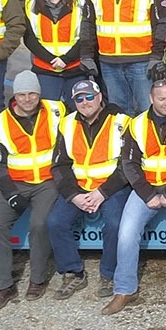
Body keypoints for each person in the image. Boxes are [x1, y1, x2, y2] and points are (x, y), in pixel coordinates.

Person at [109, 77, 166, 315]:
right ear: (151, 99)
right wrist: (148, 194)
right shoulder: (136, 124)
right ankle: (124, 289)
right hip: (146, 188)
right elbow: (129, 164)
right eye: (161, 98)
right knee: (127, 232)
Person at [0, 72, 66, 310]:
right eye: (22, 94)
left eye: (32, 93)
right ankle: (3, 286)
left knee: (40, 224)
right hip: (15, 182)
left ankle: (37, 279)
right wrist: (10, 193)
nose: (28, 99)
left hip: (47, 181)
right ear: (14, 95)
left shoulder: (56, 110)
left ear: (39, 93)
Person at [45, 77, 132, 301]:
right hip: (79, 188)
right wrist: (73, 196)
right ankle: (73, 272)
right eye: (79, 99)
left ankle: (109, 273)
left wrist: (102, 193)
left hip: (111, 188)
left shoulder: (121, 122)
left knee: (115, 224)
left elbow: (127, 166)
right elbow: (60, 165)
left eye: (89, 96)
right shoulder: (66, 123)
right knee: (55, 222)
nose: (85, 102)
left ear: (100, 97)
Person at [86, 0, 164, 116]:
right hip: (109, 61)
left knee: (148, 110)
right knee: (119, 112)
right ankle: (122, 144)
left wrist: (157, 56)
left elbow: (161, 23)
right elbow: (88, 24)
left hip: (142, 61)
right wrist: (87, 55)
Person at [22, 0, 95, 107]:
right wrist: (51, 60)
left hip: (76, 68)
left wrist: (66, 59)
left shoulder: (82, 3)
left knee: (79, 112)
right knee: (49, 114)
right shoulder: (30, 5)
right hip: (45, 70)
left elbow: (88, 37)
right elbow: (29, 38)